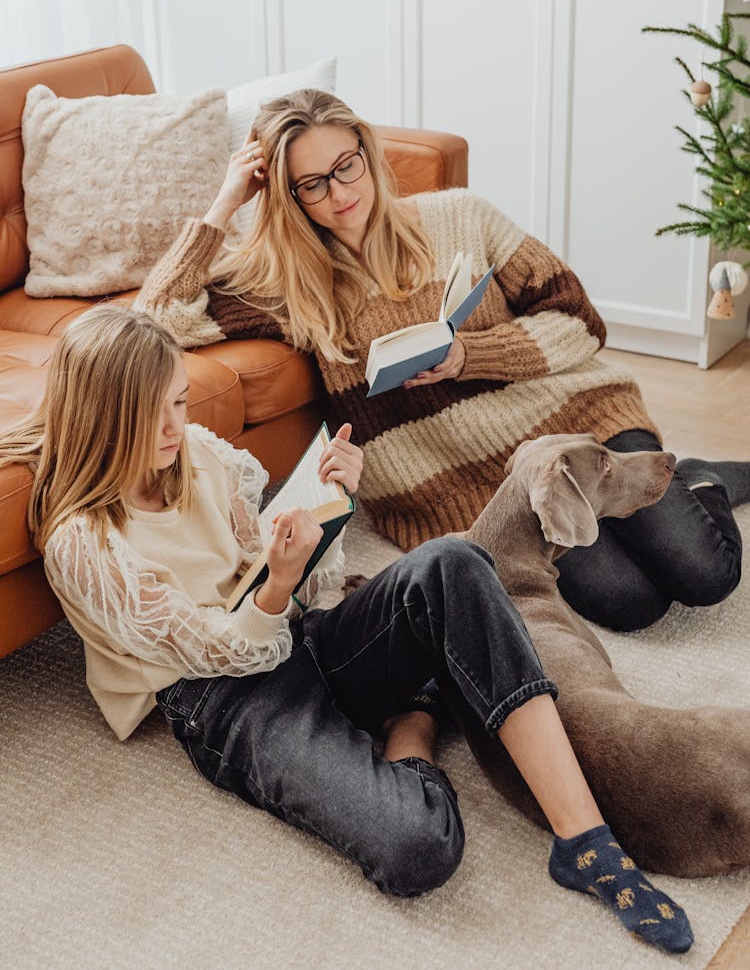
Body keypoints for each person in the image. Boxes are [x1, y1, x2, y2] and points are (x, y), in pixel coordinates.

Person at [1, 305, 692, 955]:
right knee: (417, 846)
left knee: (455, 560)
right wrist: (278, 581)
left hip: (300, 632)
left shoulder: (197, 456)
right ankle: (415, 714)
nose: (175, 426)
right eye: (151, 414)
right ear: (101, 417)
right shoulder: (85, 544)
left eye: (179, 402)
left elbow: (301, 586)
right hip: (224, 700)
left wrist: (331, 505)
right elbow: (223, 648)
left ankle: (585, 839)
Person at [137, 89, 750, 632]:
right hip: (483, 483)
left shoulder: (459, 216)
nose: (340, 193)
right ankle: (661, 490)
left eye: (346, 166)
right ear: (289, 195)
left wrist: (469, 355)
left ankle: (701, 479)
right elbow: (152, 319)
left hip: (577, 419)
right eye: (313, 183)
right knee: (630, 602)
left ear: (366, 152)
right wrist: (225, 201)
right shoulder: (288, 286)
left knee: (703, 573)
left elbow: (579, 320)